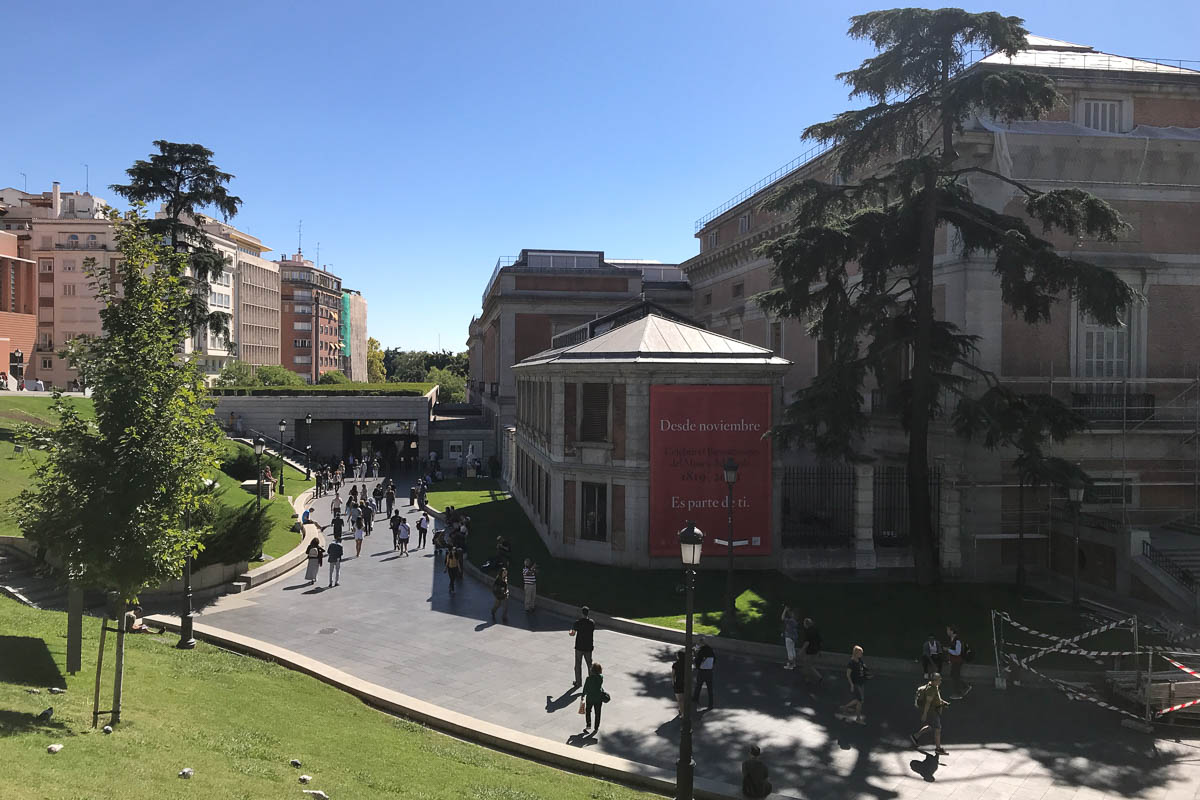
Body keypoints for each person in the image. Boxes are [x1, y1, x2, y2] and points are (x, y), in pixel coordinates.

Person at [911, 672, 950, 754]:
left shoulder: (934, 687)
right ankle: (938, 748)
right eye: (939, 680)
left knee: (930, 727)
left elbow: (936, 699)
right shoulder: (931, 690)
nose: (941, 681)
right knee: (938, 729)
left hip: (933, 711)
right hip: (932, 712)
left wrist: (943, 703)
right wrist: (924, 714)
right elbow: (928, 703)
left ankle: (915, 736)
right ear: (934, 681)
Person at [839, 645, 869, 724]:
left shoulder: (859, 660)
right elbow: (848, 675)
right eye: (860, 653)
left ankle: (845, 707)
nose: (861, 654)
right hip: (856, 684)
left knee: (860, 700)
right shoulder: (851, 663)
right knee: (860, 701)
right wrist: (851, 684)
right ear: (855, 653)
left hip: (861, 682)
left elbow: (863, 669)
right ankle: (858, 719)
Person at [570, 606, 596, 686]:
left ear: (582, 613)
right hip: (588, 647)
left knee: (578, 664)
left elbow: (572, 634)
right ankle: (591, 682)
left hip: (579, 647)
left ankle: (578, 682)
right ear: (588, 613)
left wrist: (570, 632)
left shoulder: (577, 623)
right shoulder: (592, 622)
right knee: (589, 665)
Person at [946, 625, 971, 699]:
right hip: (955, 661)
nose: (947, 632)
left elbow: (957, 652)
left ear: (952, 631)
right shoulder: (953, 639)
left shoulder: (957, 640)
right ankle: (965, 687)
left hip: (958, 661)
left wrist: (948, 650)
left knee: (955, 676)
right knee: (954, 675)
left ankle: (959, 693)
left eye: (948, 630)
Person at [693, 636, 715, 710]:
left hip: (702, 672)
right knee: (710, 688)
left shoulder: (701, 651)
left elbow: (698, 661)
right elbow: (714, 660)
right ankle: (711, 704)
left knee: (698, 686)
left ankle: (695, 699)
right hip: (709, 671)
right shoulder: (710, 650)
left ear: (701, 643)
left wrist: (697, 666)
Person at [799, 617, 823, 684]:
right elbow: (820, 641)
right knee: (807, 664)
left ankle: (819, 677)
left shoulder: (808, 632)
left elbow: (807, 642)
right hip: (816, 650)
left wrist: (801, 650)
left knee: (808, 665)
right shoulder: (816, 630)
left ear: (806, 624)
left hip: (810, 651)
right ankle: (807, 678)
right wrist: (820, 651)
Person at [582, 663, 605, 734]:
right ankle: (596, 727)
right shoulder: (601, 677)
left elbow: (585, 688)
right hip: (598, 698)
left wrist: (583, 695)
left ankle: (588, 724)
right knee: (598, 713)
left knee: (588, 711)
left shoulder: (588, 679)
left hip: (590, 698)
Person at [671, 649, 687, 717]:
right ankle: (682, 710)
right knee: (684, 698)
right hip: (686, 683)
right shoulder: (686, 664)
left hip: (678, 683)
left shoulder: (675, 665)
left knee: (679, 700)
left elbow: (673, 676)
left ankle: (682, 713)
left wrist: (673, 684)